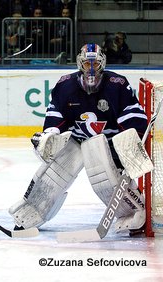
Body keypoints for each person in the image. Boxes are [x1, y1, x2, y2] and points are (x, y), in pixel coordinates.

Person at [9, 43, 148, 235]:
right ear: (79, 63)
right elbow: (56, 115)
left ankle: (134, 213)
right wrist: (50, 134)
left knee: (107, 181)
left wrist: (126, 148)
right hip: (77, 140)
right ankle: (32, 211)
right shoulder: (65, 85)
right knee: (53, 174)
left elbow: (133, 118)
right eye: (87, 64)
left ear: (103, 63)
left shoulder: (118, 85)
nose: (91, 69)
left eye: (95, 64)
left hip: (107, 144)